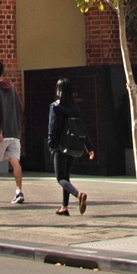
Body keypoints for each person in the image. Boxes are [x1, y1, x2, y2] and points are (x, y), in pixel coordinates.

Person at [47, 78, 94, 216]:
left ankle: (78, 194)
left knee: (60, 178)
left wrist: (51, 145)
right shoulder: (75, 107)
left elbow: (52, 127)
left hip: (59, 146)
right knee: (66, 176)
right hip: (73, 146)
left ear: (58, 90)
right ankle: (64, 206)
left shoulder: (55, 107)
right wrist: (88, 147)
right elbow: (82, 128)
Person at [0, 60, 25, 204]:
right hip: (14, 132)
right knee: (15, 161)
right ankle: (19, 191)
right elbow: (20, 108)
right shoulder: (12, 88)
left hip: (1, 132)